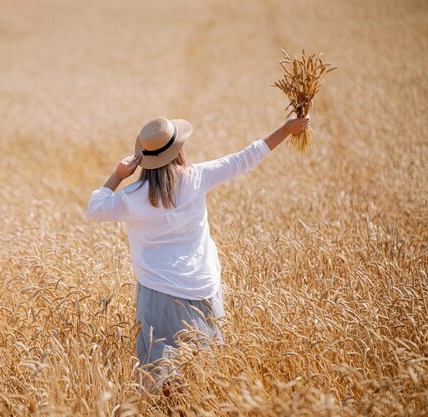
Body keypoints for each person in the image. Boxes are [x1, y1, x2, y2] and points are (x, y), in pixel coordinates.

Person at [85, 115, 310, 393]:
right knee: (201, 367)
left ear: (143, 158)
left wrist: (119, 175)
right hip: (202, 287)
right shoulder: (198, 177)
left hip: (157, 293)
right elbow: (246, 158)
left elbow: (94, 209)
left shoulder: (132, 197)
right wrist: (287, 129)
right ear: (178, 151)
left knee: (162, 370)